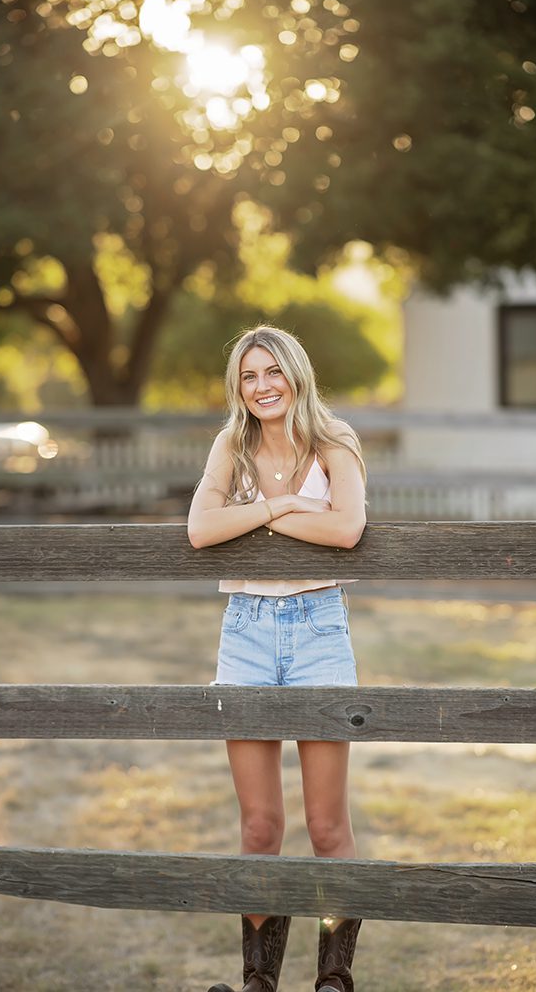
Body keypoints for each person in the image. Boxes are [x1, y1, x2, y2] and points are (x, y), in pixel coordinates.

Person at [187, 325, 367, 992]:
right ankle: (258, 981)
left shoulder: (334, 441)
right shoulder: (230, 445)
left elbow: (345, 528)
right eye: (248, 376)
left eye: (272, 372)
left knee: (326, 824)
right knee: (260, 825)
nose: (262, 386)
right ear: (237, 387)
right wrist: (284, 505)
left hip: (319, 629)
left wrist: (255, 515)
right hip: (246, 631)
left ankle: (333, 979)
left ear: (296, 374)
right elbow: (200, 530)